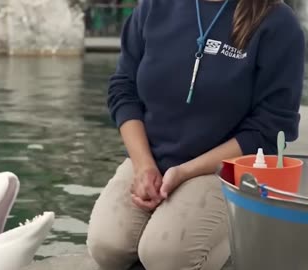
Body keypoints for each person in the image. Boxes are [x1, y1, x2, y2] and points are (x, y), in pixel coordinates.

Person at [86, 0, 305, 269]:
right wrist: (144, 166)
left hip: (224, 170)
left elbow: (271, 126)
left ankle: (239, 239)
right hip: (152, 157)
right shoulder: (154, 7)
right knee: (107, 247)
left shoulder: (278, 23)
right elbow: (123, 89)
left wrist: (186, 171)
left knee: (165, 255)